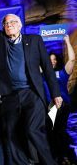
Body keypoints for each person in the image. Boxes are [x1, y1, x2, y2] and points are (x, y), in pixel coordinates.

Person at [0, 0, 63, 164]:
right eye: (6, 24)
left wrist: (55, 93)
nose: (9, 25)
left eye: (13, 22)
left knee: (32, 130)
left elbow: (47, 68)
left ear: (20, 25)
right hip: (10, 96)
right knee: (11, 135)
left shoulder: (35, 41)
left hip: (32, 93)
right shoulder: (1, 41)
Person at [44, 35, 76, 163]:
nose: (52, 61)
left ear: (57, 61)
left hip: (62, 106)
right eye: (50, 59)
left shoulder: (61, 73)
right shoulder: (42, 75)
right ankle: (60, 157)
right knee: (52, 133)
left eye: (54, 59)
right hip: (49, 106)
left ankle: (64, 156)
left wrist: (68, 42)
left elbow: (72, 60)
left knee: (58, 131)